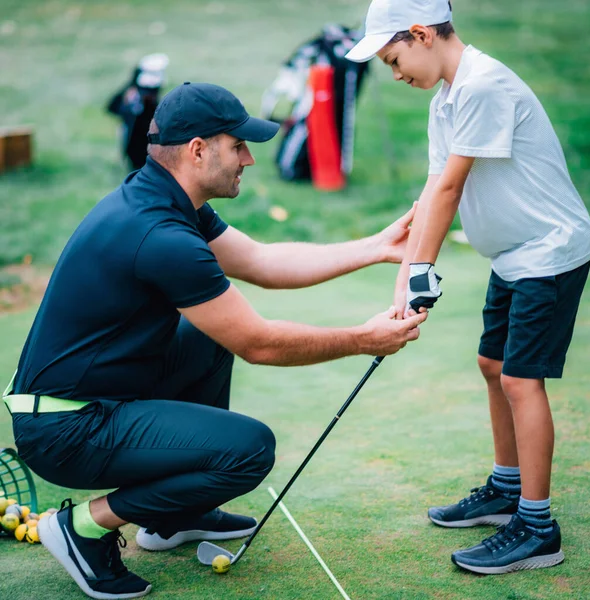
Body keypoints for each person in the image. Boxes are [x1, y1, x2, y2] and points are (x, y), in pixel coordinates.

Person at [3, 81, 427, 600]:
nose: (248, 158)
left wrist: (375, 245)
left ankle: (174, 518)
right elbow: (260, 343)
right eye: (238, 145)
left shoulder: (164, 197)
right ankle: (86, 526)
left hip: (86, 401)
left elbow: (262, 262)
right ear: (198, 150)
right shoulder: (161, 234)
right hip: (68, 428)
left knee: (203, 339)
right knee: (249, 451)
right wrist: (364, 339)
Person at [346, 0, 590, 576]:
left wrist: (419, 275)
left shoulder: (483, 85)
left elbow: (452, 188)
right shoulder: (446, 100)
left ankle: (538, 527)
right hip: (513, 255)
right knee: (492, 364)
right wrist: (407, 277)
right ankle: (508, 488)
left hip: (548, 251)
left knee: (518, 378)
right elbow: (433, 190)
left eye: (393, 58)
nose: (395, 72)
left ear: (420, 33)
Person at [107, 53, 169, 171]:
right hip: (135, 152)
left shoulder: (154, 110)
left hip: (148, 153)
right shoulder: (131, 102)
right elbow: (112, 107)